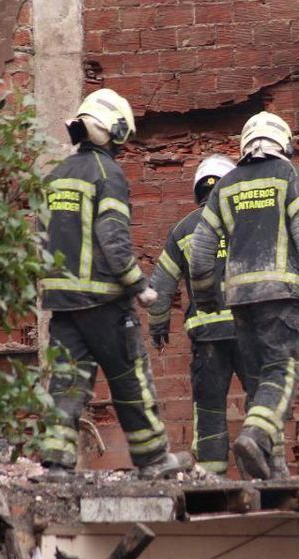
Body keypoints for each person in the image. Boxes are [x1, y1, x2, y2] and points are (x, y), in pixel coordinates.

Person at [37, 88, 192, 478]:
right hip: (105, 304)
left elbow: (40, 236)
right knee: (130, 381)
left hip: (64, 304)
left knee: (67, 385)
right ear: (115, 131)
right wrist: (139, 286)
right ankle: (154, 460)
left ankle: (56, 465)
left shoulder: (54, 177)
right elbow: (113, 237)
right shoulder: (109, 174)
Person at [188, 112, 299, 479]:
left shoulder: (226, 185)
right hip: (278, 295)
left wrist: (206, 298)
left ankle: (273, 470)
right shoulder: (289, 176)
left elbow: (201, 254)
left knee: (260, 383)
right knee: (282, 373)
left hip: (238, 300)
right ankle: (254, 436)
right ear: (282, 143)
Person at [148, 154, 248, 477]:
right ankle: (268, 473)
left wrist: (158, 324)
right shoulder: (246, 220)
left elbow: (161, 283)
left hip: (207, 338)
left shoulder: (184, 229)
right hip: (249, 331)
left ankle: (211, 477)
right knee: (262, 401)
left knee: (208, 410)